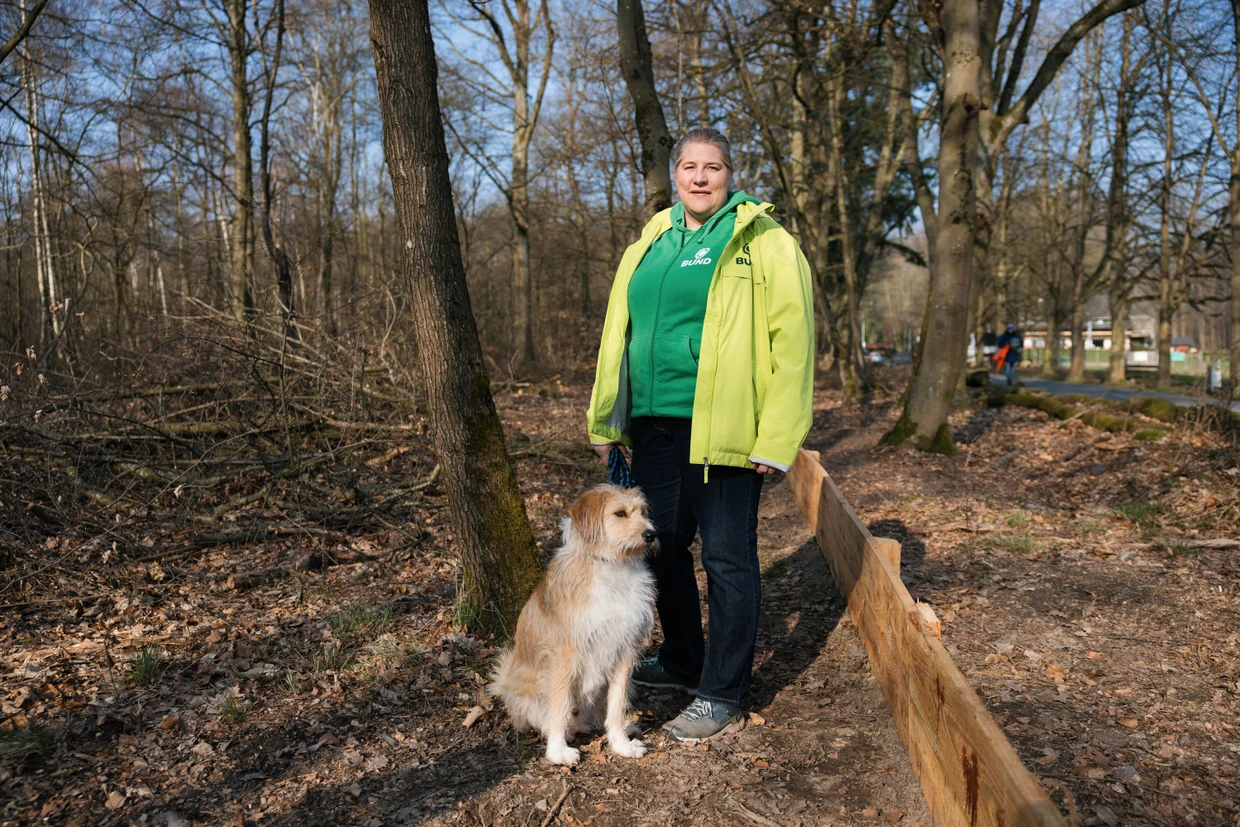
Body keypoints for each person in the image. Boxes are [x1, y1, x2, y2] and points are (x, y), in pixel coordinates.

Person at [585, 128, 815, 743]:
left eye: (712, 167)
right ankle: (685, 660)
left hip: (726, 428)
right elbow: (619, 335)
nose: (700, 177)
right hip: (653, 426)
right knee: (661, 546)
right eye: (689, 166)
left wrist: (778, 435)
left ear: (729, 174)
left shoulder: (762, 240)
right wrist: (607, 420)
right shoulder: (652, 240)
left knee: (727, 558)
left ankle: (723, 691)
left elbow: (793, 346)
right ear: (674, 175)